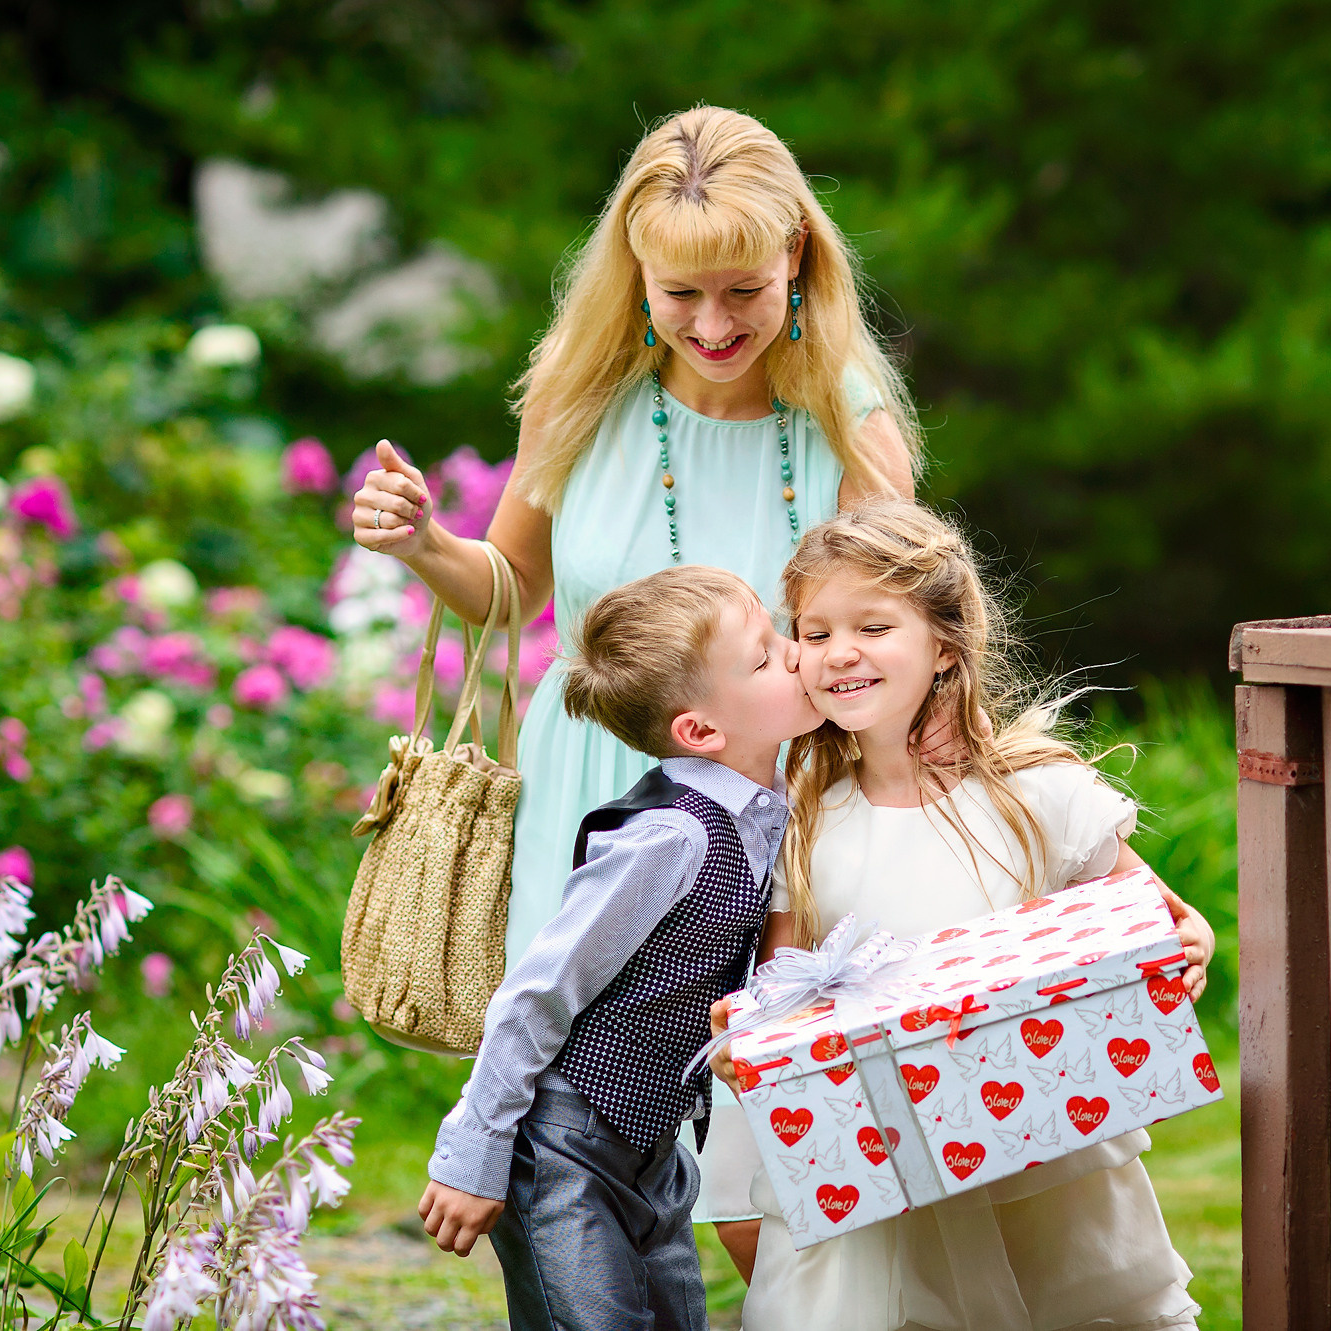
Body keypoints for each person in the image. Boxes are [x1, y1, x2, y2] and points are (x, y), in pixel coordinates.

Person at [350, 104, 917, 1273]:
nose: (713, 325)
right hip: (596, 801)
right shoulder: (579, 395)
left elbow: (893, 632)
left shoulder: (844, 419)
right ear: (637, 275)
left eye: (744, 292)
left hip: (779, 804)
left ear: (797, 262)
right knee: (572, 1127)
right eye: (679, 294)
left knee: (775, 1139)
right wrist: (420, 543)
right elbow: (508, 588)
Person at [713, 498, 1215, 1331]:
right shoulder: (802, 811)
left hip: (1039, 1147)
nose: (839, 652)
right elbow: (784, 976)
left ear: (945, 645)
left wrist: (1187, 937)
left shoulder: (1035, 796)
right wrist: (752, 1030)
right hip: (878, 1156)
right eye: (814, 629)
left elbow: (1155, 915)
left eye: (873, 626)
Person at [418, 565, 822, 1330]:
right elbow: (541, 988)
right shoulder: (668, 837)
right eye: (767, 654)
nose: (797, 652)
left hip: (654, 1150)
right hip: (562, 1147)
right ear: (699, 731)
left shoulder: (771, 810)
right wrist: (475, 1147)